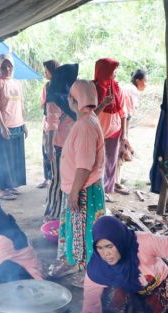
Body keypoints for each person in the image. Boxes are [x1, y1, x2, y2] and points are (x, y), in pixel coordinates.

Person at [55, 79, 106, 274]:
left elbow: (84, 165)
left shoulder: (84, 125)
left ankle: (84, 271)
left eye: (70, 96)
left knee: (82, 231)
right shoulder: (89, 118)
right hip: (84, 186)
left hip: (83, 188)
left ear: (75, 101)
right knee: (82, 230)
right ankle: (82, 266)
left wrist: (75, 192)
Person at [43, 63, 79, 224]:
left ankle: (62, 211)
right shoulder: (54, 98)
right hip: (59, 147)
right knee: (57, 180)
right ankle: (51, 212)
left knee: (68, 180)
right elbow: (52, 124)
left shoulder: (69, 96)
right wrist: (49, 146)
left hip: (71, 146)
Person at [0, 53, 28, 201]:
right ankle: (1, 189)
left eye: (9, 65)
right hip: (3, 126)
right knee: (3, 158)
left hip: (17, 124)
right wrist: (3, 127)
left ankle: (11, 185)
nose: (7, 68)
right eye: (3, 66)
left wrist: (24, 124)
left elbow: (21, 105)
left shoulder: (17, 83)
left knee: (15, 158)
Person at [93, 58, 126, 199]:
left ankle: (106, 191)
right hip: (97, 131)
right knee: (97, 163)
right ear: (104, 71)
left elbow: (122, 113)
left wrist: (124, 133)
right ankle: (96, 191)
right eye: (113, 70)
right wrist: (104, 103)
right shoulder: (93, 88)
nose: (115, 73)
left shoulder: (117, 88)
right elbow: (90, 113)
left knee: (111, 162)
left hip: (114, 131)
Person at [114, 69, 147, 194]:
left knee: (119, 154)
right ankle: (116, 182)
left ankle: (116, 179)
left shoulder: (127, 88)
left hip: (116, 124)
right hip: (119, 125)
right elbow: (126, 114)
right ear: (138, 81)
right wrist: (125, 135)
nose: (146, 84)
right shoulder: (133, 91)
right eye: (145, 81)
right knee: (120, 153)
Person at [38, 59, 60, 189]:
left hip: (52, 124)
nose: (45, 73)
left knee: (49, 150)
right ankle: (49, 178)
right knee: (48, 151)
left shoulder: (48, 87)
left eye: (46, 71)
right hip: (49, 123)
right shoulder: (50, 86)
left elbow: (43, 105)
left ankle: (50, 179)